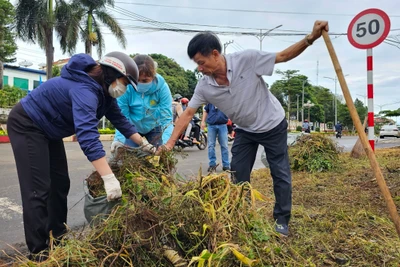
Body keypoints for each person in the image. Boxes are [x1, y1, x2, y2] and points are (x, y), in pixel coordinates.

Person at [159, 20, 329, 237]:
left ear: (214, 54)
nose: (199, 69)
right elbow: (188, 114)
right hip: (246, 130)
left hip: (272, 124)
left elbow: (283, 56)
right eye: (196, 64)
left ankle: (281, 219)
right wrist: (169, 144)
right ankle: (243, 214)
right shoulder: (204, 86)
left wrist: (310, 38)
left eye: (201, 62)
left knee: (280, 172)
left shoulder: (247, 60)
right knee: (238, 172)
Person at [7, 52, 155, 261]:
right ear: (112, 75)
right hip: (27, 124)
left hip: (49, 130)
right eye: (125, 82)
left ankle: (57, 239)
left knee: (60, 184)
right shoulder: (85, 90)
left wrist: (144, 144)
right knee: (37, 190)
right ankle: (39, 253)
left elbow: (120, 120)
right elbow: (87, 136)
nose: (125, 88)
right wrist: (108, 177)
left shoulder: (104, 93)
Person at [112, 54, 173, 151]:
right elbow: (122, 117)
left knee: (157, 159)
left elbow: (167, 119)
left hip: (154, 128)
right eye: (137, 80)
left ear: (153, 76)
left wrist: (166, 143)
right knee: (130, 157)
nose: (140, 83)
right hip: (132, 129)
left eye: (145, 80)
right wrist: (119, 140)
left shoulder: (162, 88)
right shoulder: (126, 88)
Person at [201, 103, 230, 172]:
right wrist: (203, 121)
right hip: (211, 125)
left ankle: (226, 165)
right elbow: (205, 110)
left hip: (222, 124)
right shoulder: (209, 100)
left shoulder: (224, 100)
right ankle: (212, 164)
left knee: (224, 146)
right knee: (211, 145)